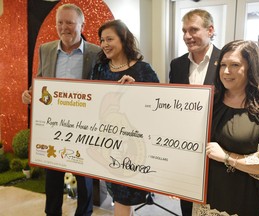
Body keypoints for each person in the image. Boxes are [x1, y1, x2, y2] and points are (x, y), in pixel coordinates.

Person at [21, 4, 101, 216]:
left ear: (81, 24)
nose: (64, 27)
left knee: (84, 177)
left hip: (84, 126)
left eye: (69, 23)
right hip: (52, 125)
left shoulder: (96, 53)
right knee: (53, 176)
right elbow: (39, 81)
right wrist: (29, 94)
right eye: (60, 22)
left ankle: (84, 213)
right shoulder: (45, 49)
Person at [194, 40, 259, 215]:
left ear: (251, 68)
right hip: (206, 193)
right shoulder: (210, 100)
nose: (226, 71)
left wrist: (227, 157)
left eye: (235, 65)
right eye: (223, 65)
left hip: (242, 197)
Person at [89, 19, 159, 216]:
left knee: (124, 196)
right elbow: (94, 103)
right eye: (102, 40)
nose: (104, 44)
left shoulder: (144, 70)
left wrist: (136, 91)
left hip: (134, 145)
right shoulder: (99, 69)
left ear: (123, 39)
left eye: (109, 39)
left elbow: (158, 106)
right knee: (118, 194)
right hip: (108, 144)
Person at [169, 9, 220, 216]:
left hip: (217, 148)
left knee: (215, 204)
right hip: (186, 150)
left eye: (193, 30)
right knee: (187, 206)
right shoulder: (177, 64)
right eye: (184, 31)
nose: (187, 36)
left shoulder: (226, 61)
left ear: (210, 30)